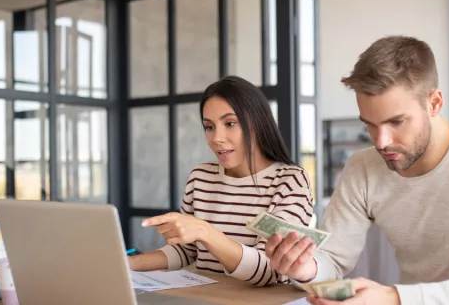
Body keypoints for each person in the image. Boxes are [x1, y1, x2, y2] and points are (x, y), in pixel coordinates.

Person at [265, 36, 449, 304]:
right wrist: (307, 268)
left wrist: (395, 298)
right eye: (370, 124)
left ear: (434, 103)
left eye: (396, 122)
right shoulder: (363, 169)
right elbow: (332, 262)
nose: (381, 141)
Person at [128, 75, 314, 287]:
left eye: (230, 123)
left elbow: (268, 270)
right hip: (207, 300)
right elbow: (187, 250)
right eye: (209, 127)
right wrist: (130, 263)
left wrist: (205, 231)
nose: (217, 138)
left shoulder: (290, 181)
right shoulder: (201, 177)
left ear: (258, 124)